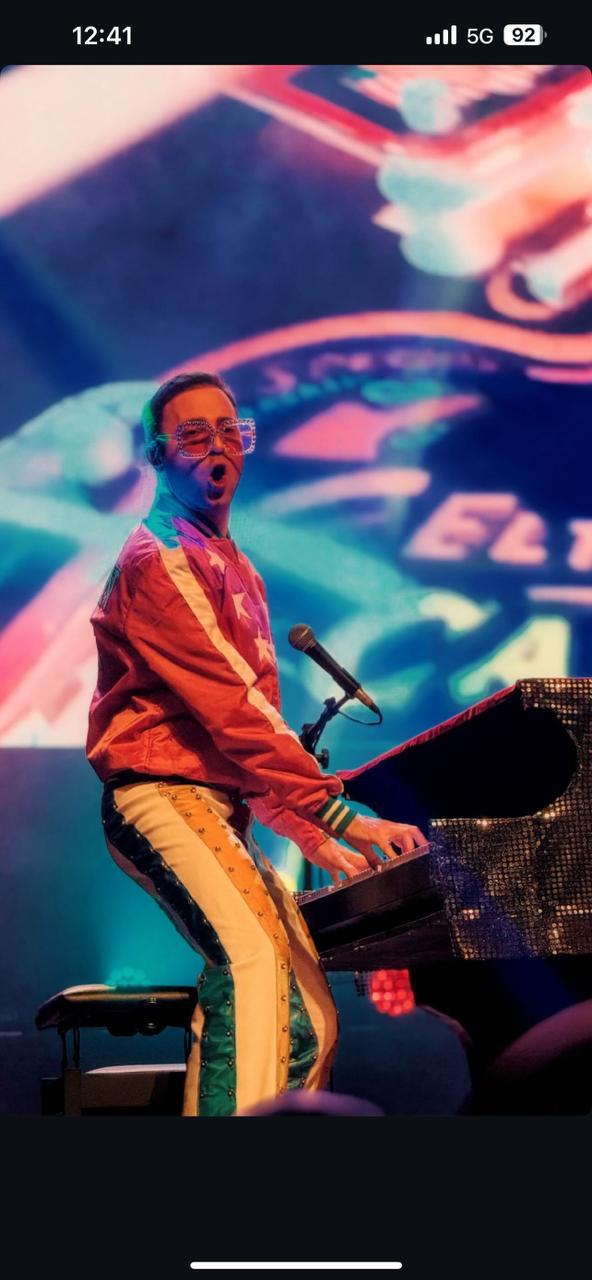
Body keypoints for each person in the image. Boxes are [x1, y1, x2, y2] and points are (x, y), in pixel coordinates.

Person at [86, 371, 426, 1116]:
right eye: (192, 434)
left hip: (214, 805)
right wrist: (338, 816)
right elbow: (236, 713)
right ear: (158, 457)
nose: (216, 445)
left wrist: (310, 832)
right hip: (158, 796)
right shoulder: (159, 560)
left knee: (310, 1015)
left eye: (227, 431)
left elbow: (248, 735)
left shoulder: (237, 569)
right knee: (251, 965)